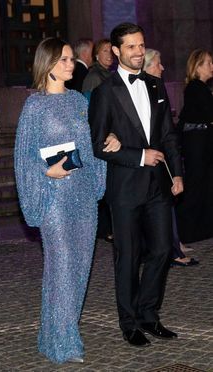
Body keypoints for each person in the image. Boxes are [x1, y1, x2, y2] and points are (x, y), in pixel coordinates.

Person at [14, 37, 120, 364]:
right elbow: (22, 158)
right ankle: (64, 342)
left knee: (79, 267)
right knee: (61, 267)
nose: (70, 64)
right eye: (63, 60)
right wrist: (47, 173)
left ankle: (53, 333)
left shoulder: (78, 101)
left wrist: (109, 140)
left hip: (83, 195)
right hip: (53, 199)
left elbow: (92, 143)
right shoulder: (34, 106)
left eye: (72, 59)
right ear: (47, 65)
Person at [89, 23, 183, 347]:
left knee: (161, 250)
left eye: (141, 46)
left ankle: (148, 314)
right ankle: (128, 323)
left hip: (159, 186)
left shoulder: (156, 86)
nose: (139, 52)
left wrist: (178, 173)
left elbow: (169, 136)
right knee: (127, 257)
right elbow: (98, 145)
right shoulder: (104, 93)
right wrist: (140, 156)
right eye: (131, 47)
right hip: (126, 188)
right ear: (116, 51)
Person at [143, 48, 199, 267]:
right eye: (158, 63)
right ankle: (170, 249)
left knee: (168, 204)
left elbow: (166, 129)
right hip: (150, 159)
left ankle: (174, 245)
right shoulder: (144, 89)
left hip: (164, 155)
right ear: (147, 67)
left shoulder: (158, 88)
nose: (162, 67)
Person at [176, 49, 213, 243]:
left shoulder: (200, 88)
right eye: (208, 63)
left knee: (204, 185)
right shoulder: (195, 88)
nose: (212, 67)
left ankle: (201, 229)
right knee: (196, 186)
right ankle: (186, 231)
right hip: (197, 146)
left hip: (201, 144)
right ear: (198, 67)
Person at [82, 38, 114, 242]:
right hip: (100, 135)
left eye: (111, 51)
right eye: (104, 51)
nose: (109, 54)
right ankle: (104, 228)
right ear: (96, 55)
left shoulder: (108, 75)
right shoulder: (94, 77)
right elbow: (89, 108)